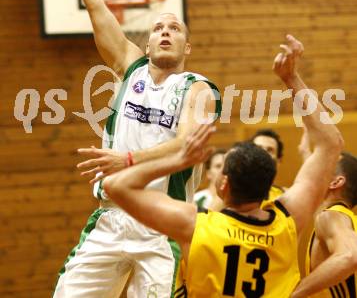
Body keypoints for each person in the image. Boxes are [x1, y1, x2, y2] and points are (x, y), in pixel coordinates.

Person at [53, 0, 221, 298]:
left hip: (162, 224)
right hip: (111, 217)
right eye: (158, 28)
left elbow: (186, 145)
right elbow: (95, 4)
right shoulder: (130, 69)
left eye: (174, 28)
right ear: (146, 45)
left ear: (187, 48)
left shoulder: (197, 88)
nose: (165, 32)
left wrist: (126, 161)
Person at [103, 35, 344, 297]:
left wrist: (179, 159)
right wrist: (291, 79)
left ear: (223, 184)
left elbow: (115, 185)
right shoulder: (288, 219)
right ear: (268, 188)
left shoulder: (194, 225)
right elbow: (331, 143)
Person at [292, 132, 357, 297]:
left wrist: (294, 293)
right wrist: (306, 150)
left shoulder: (331, 216)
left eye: (324, 167)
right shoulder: (346, 218)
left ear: (335, 183)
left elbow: (350, 255)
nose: (315, 171)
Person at [250, 128, 286, 200]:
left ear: (279, 160)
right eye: (258, 148)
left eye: (269, 150)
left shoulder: (286, 197)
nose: (263, 153)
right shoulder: (231, 194)